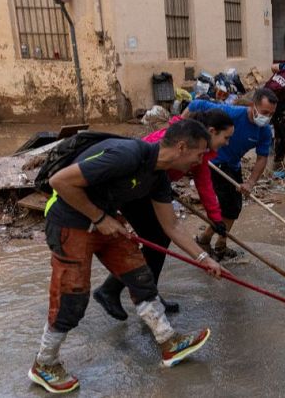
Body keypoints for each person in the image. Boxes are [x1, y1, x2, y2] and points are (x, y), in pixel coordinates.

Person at [31, 120, 224, 394]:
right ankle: (44, 363)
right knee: (71, 298)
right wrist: (99, 218)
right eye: (200, 153)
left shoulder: (158, 176)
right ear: (182, 147)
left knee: (140, 276)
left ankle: (168, 341)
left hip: (106, 221)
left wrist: (204, 259)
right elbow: (59, 181)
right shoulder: (127, 155)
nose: (200, 161)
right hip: (69, 222)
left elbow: (171, 225)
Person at [94, 109, 234, 319]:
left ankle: (141, 293)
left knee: (159, 239)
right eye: (226, 138)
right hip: (133, 189)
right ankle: (124, 292)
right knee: (157, 238)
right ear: (212, 131)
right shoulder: (171, 140)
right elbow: (143, 165)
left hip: (153, 189)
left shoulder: (199, 150)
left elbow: (204, 183)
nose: (227, 143)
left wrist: (215, 219)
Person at [186, 88, 276, 259]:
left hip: (233, 165)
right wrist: (178, 128)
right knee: (226, 207)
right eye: (265, 112)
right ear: (253, 106)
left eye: (271, 114)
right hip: (214, 163)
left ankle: (214, 242)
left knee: (234, 207)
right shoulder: (231, 113)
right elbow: (197, 104)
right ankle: (210, 241)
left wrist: (250, 182)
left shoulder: (264, 131)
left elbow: (262, 158)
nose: (267, 117)